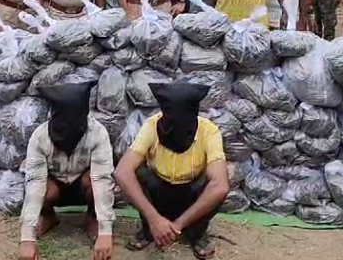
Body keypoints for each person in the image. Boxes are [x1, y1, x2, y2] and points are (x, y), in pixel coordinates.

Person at [114, 82, 229, 260]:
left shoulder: (209, 131)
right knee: (136, 173)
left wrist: (177, 225)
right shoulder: (151, 125)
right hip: (158, 193)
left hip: (190, 195)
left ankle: (197, 234)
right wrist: (154, 219)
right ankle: (148, 230)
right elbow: (122, 171)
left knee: (215, 185)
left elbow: (220, 186)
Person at [19, 81, 115, 260]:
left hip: (83, 186)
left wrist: (105, 232)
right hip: (56, 186)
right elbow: (35, 184)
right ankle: (49, 217)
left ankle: (91, 217)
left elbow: (102, 179)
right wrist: (27, 239)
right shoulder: (39, 137)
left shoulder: (98, 133)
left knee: (96, 184)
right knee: (45, 192)